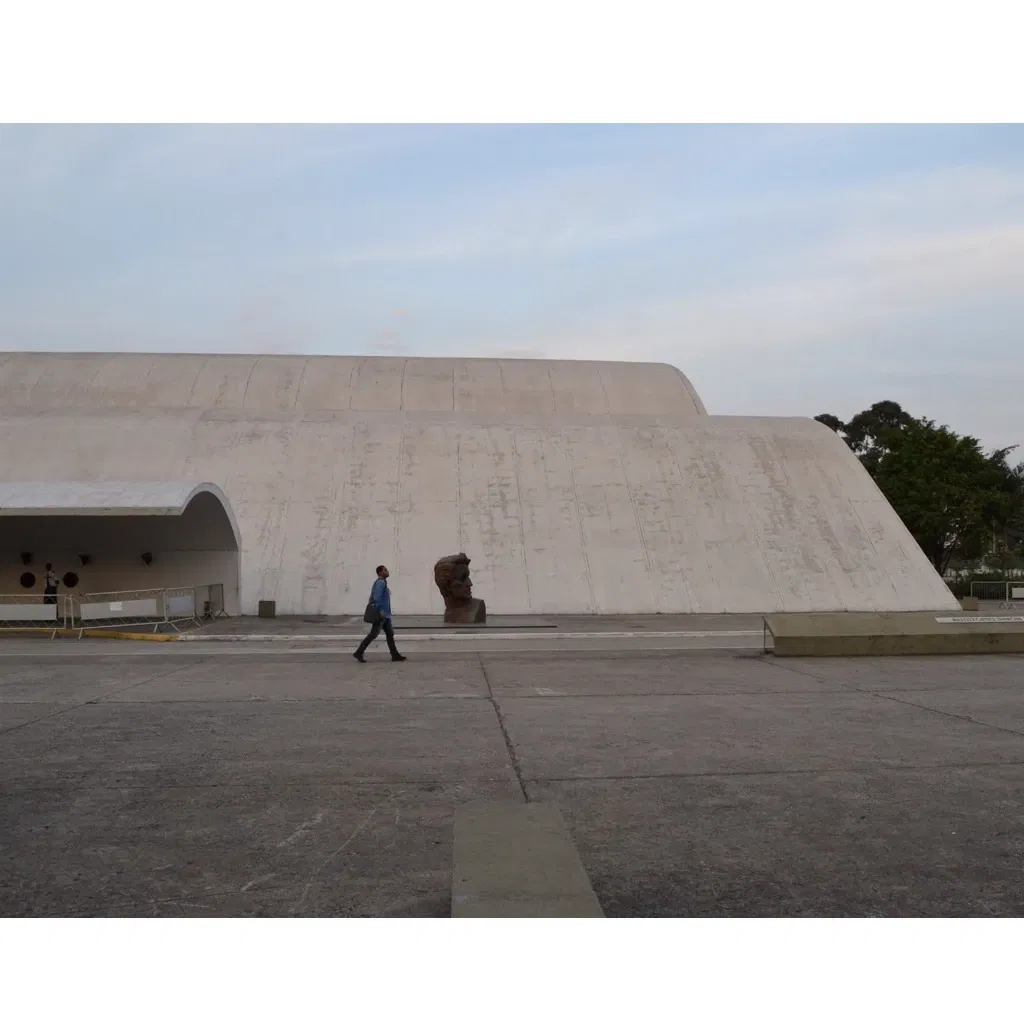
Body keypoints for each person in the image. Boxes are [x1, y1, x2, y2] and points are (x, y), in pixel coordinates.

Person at [353, 565, 406, 663]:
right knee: (373, 634)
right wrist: (380, 611)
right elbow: (377, 598)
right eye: (385, 570)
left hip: (386, 615)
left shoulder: (383, 582)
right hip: (381, 614)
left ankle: (395, 655)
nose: (387, 571)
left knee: (390, 633)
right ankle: (359, 652)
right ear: (380, 572)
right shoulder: (381, 583)